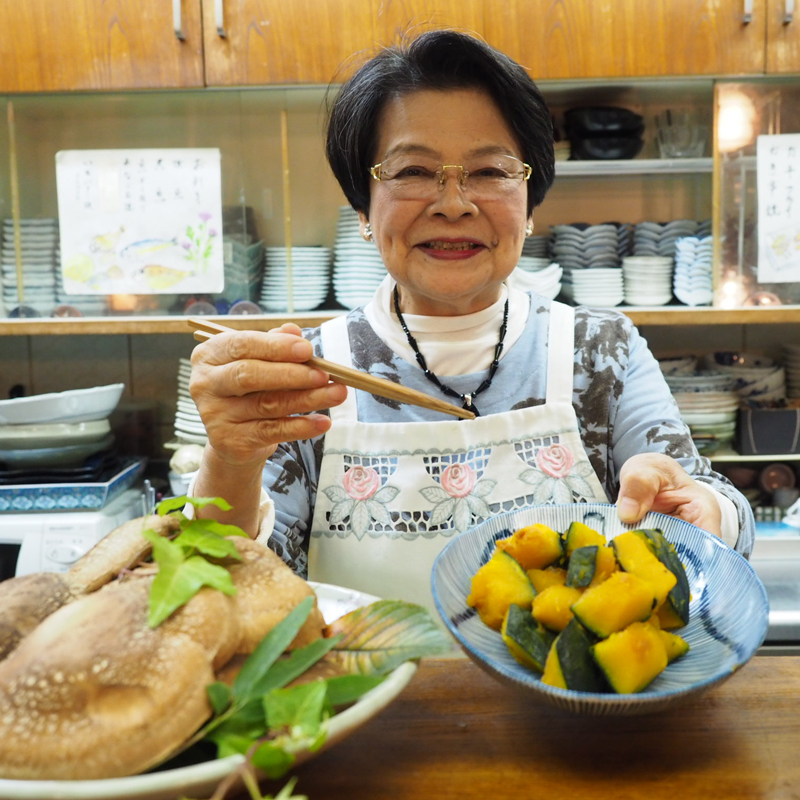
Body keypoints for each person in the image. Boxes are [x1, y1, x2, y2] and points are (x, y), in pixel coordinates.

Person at [189, 29, 754, 612]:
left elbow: (709, 503)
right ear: (362, 206)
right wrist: (229, 459)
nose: (454, 203)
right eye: (411, 172)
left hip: (560, 701)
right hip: (366, 699)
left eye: (489, 172)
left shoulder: (598, 351)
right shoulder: (309, 375)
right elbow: (232, 590)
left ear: (530, 204)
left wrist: (701, 513)